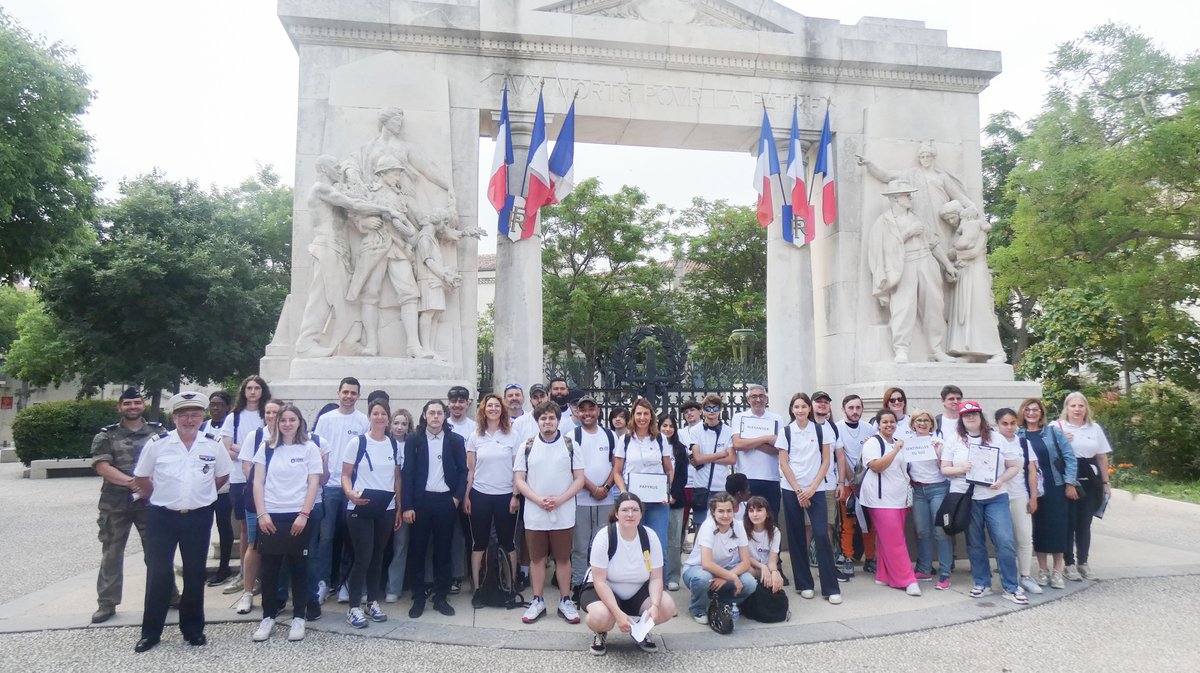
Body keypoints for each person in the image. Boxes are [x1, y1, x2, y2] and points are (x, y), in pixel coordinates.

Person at [132, 392, 232, 653]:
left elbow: (221, 476)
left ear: (203, 417)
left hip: (198, 516)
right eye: (184, 415)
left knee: (195, 573)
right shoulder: (158, 444)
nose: (190, 419)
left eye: (195, 414)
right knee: (159, 574)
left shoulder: (213, 443)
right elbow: (142, 478)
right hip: (162, 516)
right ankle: (151, 632)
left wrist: (201, 494)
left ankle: (193, 630)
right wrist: (162, 496)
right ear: (174, 417)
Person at [89, 387, 164, 624]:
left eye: (136, 402)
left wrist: (146, 485)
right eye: (127, 403)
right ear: (119, 407)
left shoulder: (158, 432)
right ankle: (106, 603)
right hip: (115, 503)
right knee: (112, 554)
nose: (132, 407)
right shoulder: (106, 436)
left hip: (150, 502)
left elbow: (166, 461)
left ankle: (168, 595)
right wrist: (134, 483)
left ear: (143, 405)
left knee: (157, 553)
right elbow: (103, 466)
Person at [863, 179, 959, 364]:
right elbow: (879, 250)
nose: (910, 198)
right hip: (903, 265)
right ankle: (901, 349)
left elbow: (933, 243)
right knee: (903, 307)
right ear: (896, 199)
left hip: (925, 260)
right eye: (906, 195)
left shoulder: (917, 217)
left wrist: (948, 265)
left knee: (934, 306)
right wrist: (908, 233)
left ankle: (936, 349)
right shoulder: (884, 221)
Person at [941, 401, 1027, 605]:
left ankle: (1011, 586)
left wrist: (1002, 480)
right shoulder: (955, 440)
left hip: (995, 496)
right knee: (975, 542)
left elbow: (1014, 466)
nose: (970, 417)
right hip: (968, 498)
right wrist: (962, 468)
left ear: (981, 416)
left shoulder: (997, 437)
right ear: (961, 419)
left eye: (974, 414)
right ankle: (982, 582)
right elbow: (945, 469)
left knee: (1004, 540)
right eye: (966, 415)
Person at [251, 404, 323, 642]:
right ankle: (268, 616)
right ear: (277, 423)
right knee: (270, 569)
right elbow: (258, 482)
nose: (288, 424)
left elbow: (314, 483)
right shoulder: (266, 448)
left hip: (298, 515)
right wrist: (262, 514)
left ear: (300, 422)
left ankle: (298, 617)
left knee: (299, 568)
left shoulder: (310, 448)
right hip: (271, 515)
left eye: (292, 419)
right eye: (283, 420)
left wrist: (304, 514)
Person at [514, 400, 586, 625]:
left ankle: (565, 601)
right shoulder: (526, 446)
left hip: (563, 512)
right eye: (543, 418)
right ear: (537, 421)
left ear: (557, 420)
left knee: (563, 558)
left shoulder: (570, 445)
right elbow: (519, 479)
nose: (547, 422)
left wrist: (560, 500)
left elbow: (580, 479)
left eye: (551, 418)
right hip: (535, 513)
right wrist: (537, 500)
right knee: (537, 559)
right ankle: (537, 600)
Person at [582, 493, 676, 656]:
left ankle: (640, 630)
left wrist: (654, 606)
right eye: (625, 510)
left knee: (666, 607)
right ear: (617, 514)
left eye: (635, 509)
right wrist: (618, 614)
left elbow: (656, 578)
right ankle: (600, 632)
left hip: (639, 589)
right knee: (601, 617)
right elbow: (600, 582)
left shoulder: (650, 537)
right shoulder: (605, 536)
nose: (630, 514)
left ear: (641, 513)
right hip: (606, 587)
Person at [402, 399, 468, 618]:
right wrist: (408, 505)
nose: (436, 417)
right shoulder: (414, 440)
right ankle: (419, 597)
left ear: (445, 416)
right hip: (421, 503)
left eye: (440, 413)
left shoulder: (455, 440)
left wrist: (457, 499)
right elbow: (408, 473)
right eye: (432, 413)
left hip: (445, 502)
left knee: (443, 552)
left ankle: (441, 596)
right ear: (424, 415)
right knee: (418, 551)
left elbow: (462, 471)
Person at [341, 398, 402, 628]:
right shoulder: (357, 443)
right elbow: (345, 474)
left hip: (385, 508)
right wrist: (350, 493)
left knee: (378, 557)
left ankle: (372, 601)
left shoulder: (393, 444)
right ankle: (353, 606)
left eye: (383, 413)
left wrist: (398, 506)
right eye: (375, 413)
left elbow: (396, 477)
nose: (380, 417)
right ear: (369, 417)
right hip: (361, 505)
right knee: (363, 557)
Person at [776, 393, 841, 603]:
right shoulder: (786, 432)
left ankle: (831, 588)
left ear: (809, 409)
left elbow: (826, 461)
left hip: (817, 489)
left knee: (822, 534)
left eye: (804, 406)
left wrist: (812, 488)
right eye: (797, 406)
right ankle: (804, 583)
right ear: (792, 409)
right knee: (795, 537)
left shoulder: (822, 430)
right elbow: (784, 463)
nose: (801, 410)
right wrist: (798, 490)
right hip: (791, 489)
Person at [312, 377, 370, 605]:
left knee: (351, 538)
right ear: (338, 393)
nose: (348, 396)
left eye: (353, 393)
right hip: (329, 487)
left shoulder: (363, 421)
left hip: (352, 489)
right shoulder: (325, 420)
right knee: (325, 537)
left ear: (358, 395)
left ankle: (346, 583)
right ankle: (323, 582)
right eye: (345, 392)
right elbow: (317, 452)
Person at [465, 393, 520, 608]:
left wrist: (515, 495)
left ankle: (510, 586)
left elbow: (518, 470)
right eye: (490, 406)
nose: (494, 409)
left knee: (508, 542)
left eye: (497, 406)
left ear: (502, 410)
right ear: (483, 409)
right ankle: (478, 589)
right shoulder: (475, 436)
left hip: (506, 495)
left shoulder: (512, 435)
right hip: (480, 495)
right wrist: (467, 495)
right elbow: (470, 470)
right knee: (479, 542)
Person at [1018, 398, 1078, 589]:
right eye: (1027, 410)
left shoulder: (1053, 432)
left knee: (1058, 528)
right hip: (1030, 488)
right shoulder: (1018, 434)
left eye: (1035, 410)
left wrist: (1070, 482)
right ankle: (1043, 570)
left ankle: (1058, 571)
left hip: (1055, 485)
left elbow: (1069, 457)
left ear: (1041, 413)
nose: (1031, 413)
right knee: (1039, 529)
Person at [860, 409, 921, 596]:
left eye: (892, 422)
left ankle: (884, 574)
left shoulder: (897, 443)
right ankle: (907, 579)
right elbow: (877, 466)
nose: (889, 425)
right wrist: (895, 451)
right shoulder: (873, 443)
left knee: (889, 538)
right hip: (880, 500)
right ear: (878, 424)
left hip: (900, 499)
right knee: (896, 541)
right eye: (885, 422)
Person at [219, 375, 270, 598]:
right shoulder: (234, 417)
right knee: (245, 531)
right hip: (240, 479)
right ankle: (244, 573)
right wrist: (250, 450)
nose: (252, 391)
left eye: (257, 388)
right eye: (248, 388)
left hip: (266, 480)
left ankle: (260, 576)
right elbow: (226, 449)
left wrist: (246, 451)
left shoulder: (266, 416)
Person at [233, 398, 283, 616]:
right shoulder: (255, 437)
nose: (271, 416)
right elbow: (247, 469)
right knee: (254, 545)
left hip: (282, 502)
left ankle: (278, 592)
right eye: (269, 413)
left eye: (276, 413)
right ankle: (247, 591)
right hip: (258, 500)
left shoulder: (291, 438)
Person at [1059, 391, 1113, 580]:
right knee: (1069, 522)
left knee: (1084, 523)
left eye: (1080, 406)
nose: (1077, 409)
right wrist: (1061, 440)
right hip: (1068, 477)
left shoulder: (1094, 428)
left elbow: (1101, 456)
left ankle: (1083, 562)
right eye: (1073, 406)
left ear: (1086, 408)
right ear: (1066, 408)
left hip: (1090, 478)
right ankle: (1068, 564)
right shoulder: (1057, 427)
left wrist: (1105, 482)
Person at [942, 203, 1006, 362]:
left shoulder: (974, 228)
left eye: (952, 217)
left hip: (976, 271)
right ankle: (969, 352)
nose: (950, 221)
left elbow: (974, 251)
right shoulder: (962, 231)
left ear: (961, 215)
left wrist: (955, 256)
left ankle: (998, 352)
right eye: (947, 219)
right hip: (965, 273)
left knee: (980, 310)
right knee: (965, 313)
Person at [681, 492, 757, 625]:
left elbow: (745, 562)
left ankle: (721, 602)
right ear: (713, 512)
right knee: (703, 578)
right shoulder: (708, 526)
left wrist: (726, 576)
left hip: (726, 570)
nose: (726, 515)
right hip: (698, 570)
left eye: (729, 511)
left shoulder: (738, 526)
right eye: (721, 511)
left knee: (750, 583)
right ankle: (697, 608)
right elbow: (707, 564)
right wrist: (732, 577)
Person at [570, 396, 618, 592]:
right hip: (581, 499)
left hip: (606, 500)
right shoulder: (572, 435)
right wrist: (592, 488)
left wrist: (605, 488)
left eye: (591, 409)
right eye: (583, 410)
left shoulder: (610, 435)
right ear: (577, 413)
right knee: (580, 546)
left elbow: (616, 465)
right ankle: (578, 584)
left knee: (604, 546)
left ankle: (601, 584)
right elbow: (571, 468)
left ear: (598, 411)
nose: (587, 413)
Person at [612, 398, 672, 552]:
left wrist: (666, 492)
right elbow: (617, 472)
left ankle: (658, 577)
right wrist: (624, 493)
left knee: (658, 547)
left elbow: (669, 470)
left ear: (651, 416)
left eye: (646, 414)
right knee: (634, 547)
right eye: (638, 413)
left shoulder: (660, 439)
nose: (642, 418)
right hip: (633, 502)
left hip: (657, 503)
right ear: (633, 416)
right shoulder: (624, 440)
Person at [995, 407, 1043, 596]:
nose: (1009, 427)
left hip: (1019, 494)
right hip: (997, 495)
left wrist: (1033, 497)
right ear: (997, 424)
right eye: (1004, 423)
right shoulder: (991, 440)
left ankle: (1025, 575)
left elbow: (1031, 471)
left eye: (1012, 423)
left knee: (1024, 537)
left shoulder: (1023, 443)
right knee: (1003, 539)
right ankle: (1008, 577)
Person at [905, 409, 952, 588]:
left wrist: (937, 453)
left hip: (938, 489)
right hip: (918, 490)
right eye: (918, 420)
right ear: (913, 423)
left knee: (940, 532)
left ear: (931, 424)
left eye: (926, 420)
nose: (922, 423)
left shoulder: (938, 442)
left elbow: (945, 468)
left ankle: (945, 573)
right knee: (922, 531)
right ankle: (924, 568)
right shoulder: (908, 442)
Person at [731, 384, 785, 517]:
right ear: (748, 400)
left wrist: (749, 442)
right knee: (748, 519)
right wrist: (766, 438)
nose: (758, 400)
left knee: (771, 519)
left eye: (761, 396)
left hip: (771, 478)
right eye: (754, 396)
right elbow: (737, 444)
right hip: (747, 478)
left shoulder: (777, 418)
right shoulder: (739, 417)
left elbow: (779, 449)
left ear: (766, 399)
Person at [835, 394, 874, 577]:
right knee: (848, 523)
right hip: (848, 484)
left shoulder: (869, 428)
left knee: (868, 523)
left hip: (868, 484)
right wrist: (851, 480)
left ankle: (871, 558)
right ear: (844, 409)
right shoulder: (837, 428)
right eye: (851, 408)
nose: (855, 411)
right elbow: (840, 456)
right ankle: (848, 557)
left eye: (858, 407)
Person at [810, 391, 846, 582]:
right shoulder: (803, 426)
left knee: (828, 527)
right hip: (807, 486)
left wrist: (841, 482)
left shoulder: (832, 427)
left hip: (829, 485)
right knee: (807, 528)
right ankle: (805, 568)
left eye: (826, 402)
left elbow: (840, 456)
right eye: (818, 402)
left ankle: (828, 567)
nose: (822, 405)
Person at [201, 391, 235, 588]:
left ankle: (224, 567)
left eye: (219, 404)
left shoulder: (230, 427)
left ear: (227, 407)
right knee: (203, 528)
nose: (215, 408)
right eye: (212, 404)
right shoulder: (203, 426)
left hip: (225, 486)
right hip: (205, 486)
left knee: (224, 527)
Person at [691, 394, 735, 529]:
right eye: (708, 408)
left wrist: (707, 457)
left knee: (720, 526)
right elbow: (697, 459)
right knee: (701, 527)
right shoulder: (695, 430)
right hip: (701, 487)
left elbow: (732, 459)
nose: (711, 411)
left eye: (715, 408)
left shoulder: (728, 431)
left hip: (720, 487)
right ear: (703, 410)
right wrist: (720, 454)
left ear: (720, 409)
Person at [384, 408, 414, 602]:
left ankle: (393, 587)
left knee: (400, 545)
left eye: (403, 423)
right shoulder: (384, 444)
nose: (399, 427)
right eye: (396, 423)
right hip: (384, 500)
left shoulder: (412, 445)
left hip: (403, 501)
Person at [659, 413, 689, 592]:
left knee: (674, 540)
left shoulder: (679, 448)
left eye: (670, 426)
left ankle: (672, 576)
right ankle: (657, 576)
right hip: (656, 500)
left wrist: (674, 495)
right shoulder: (653, 446)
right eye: (664, 425)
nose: (667, 429)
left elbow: (682, 476)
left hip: (675, 500)